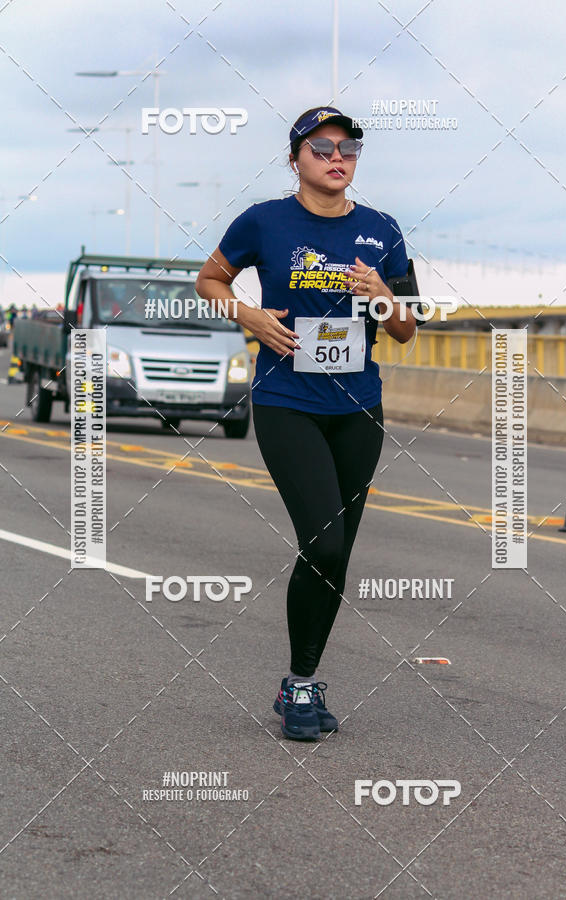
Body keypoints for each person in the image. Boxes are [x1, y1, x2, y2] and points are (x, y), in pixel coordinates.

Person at [195, 106, 416, 741]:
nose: (337, 157)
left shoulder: (382, 229)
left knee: (338, 549)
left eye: (348, 147)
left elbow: (405, 329)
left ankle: (303, 678)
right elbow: (209, 278)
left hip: (358, 409)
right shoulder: (264, 221)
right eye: (321, 148)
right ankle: (299, 683)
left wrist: (382, 293)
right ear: (295, 159)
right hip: (288, 401)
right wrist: (250, 316)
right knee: (321, 540)